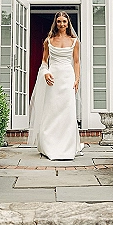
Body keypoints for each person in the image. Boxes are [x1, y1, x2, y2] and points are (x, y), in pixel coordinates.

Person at [28, 11, 84, 160]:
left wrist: (77, 79)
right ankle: (49, 145)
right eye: (59, 21)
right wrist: (45, 73)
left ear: (68, 23)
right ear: (55, 23)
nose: (61, 24)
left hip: (67, 78)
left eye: (64, 21)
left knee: (67, 111)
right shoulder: (48, 41)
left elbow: (77, 62)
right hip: (53, 78)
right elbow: (44, 62)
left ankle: (67, 146)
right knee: (52, 110)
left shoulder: (74, 41)